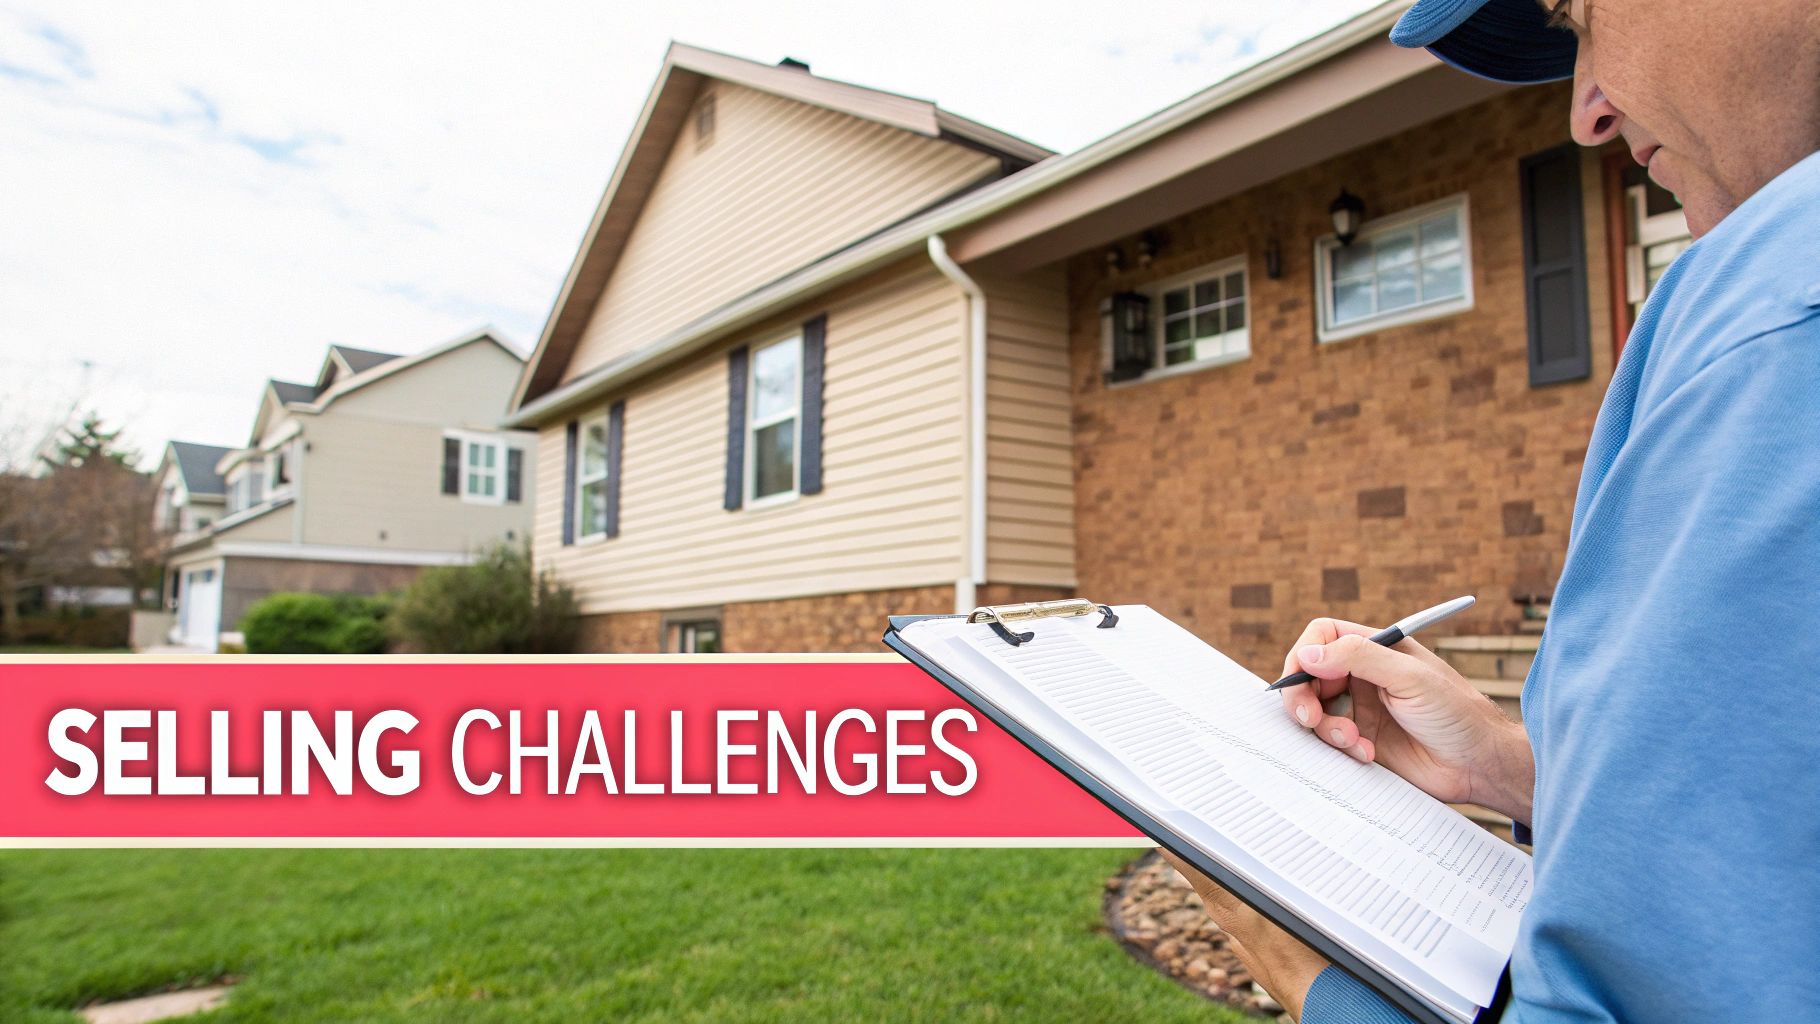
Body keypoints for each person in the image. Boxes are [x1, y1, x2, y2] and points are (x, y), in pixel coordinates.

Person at [1161, 0, 1820, 1020]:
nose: (1584, 113)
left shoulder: (1770, 307)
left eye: (1578, 13)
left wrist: (1311, 973)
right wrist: (1512, 767)